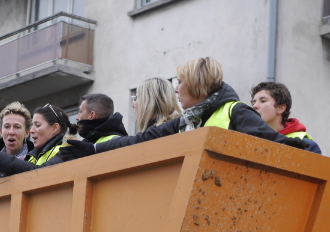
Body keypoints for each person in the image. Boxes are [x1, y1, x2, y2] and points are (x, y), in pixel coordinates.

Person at [60, 57, 307, 161]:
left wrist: (306, 149)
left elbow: (279, 148)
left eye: (180, 82)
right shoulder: (186, 121)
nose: (176, 90)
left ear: (198, 86)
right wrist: (93, 148)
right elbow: (140, 140)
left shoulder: (236, 111)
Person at [0, 103, 78, 176]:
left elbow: (40, 173)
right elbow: (8, 185)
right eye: (6, 127)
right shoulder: (33, 156)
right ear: (0, 131)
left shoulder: (67, 151)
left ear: (55, 128)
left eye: (37, 125)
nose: (32, 130)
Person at [250, 82, 321, 154]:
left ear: (280, 108)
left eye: (263, 101)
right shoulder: (249, 139)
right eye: (253, 103)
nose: (254, 106)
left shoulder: (305, 144)